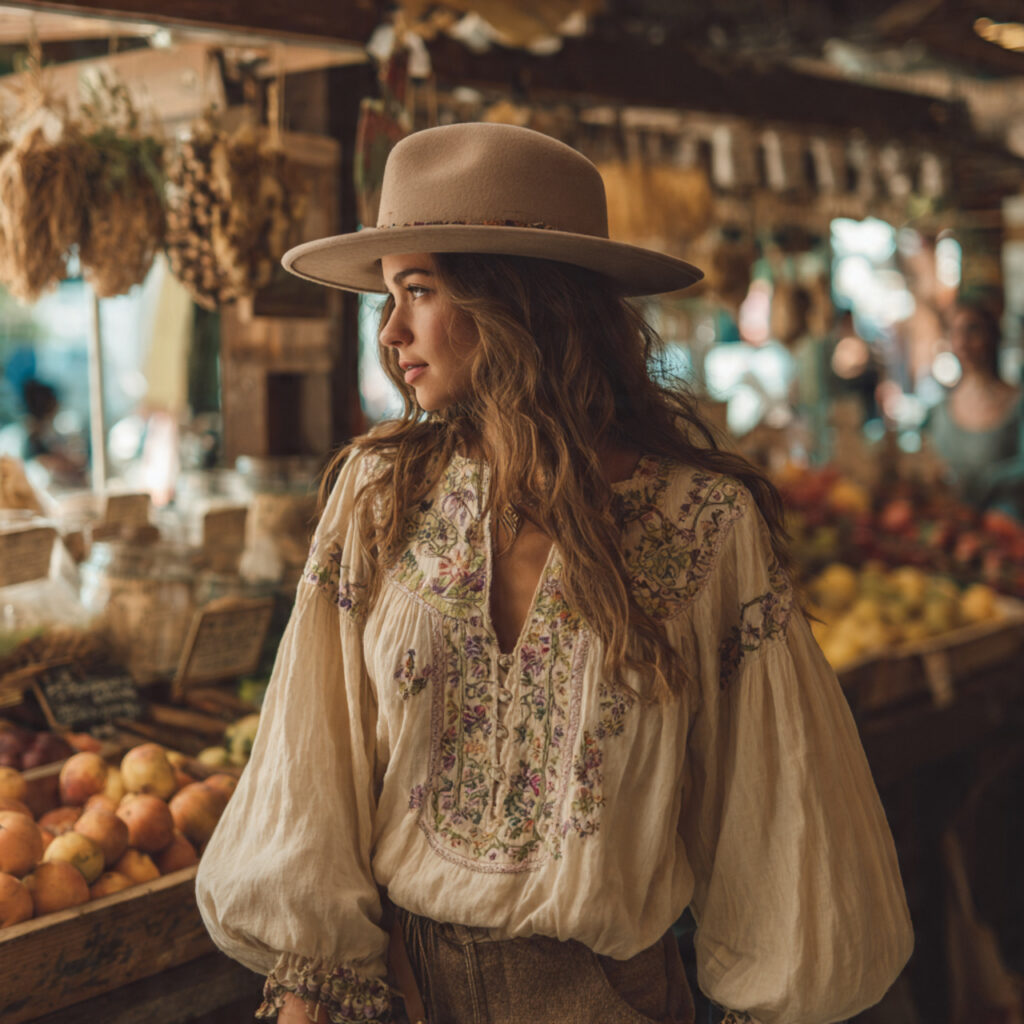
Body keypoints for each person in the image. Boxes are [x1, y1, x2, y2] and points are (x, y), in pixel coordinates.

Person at [196, 123, 913, 1024]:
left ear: (517, 302)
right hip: (401, 994)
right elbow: (313, 762)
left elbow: (780, 818)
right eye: (389, 296)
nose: (391, 332)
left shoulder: (704, 524)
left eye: (419, 290)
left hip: (606, 999)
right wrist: (306, 990)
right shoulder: (380, 497)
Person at [927, 300, 1024, 518]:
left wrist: (986, 484)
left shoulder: (1017, 402)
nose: (963, 342)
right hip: (955, 525)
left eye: (973, 330)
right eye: (955, 332)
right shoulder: (941, 409)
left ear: (992, 336)